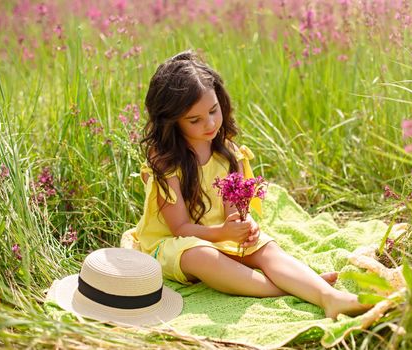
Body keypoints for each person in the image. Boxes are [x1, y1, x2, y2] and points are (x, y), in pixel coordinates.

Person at [132, 50, 372, 319]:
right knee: (200, 255)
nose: (210, 123)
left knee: (266, 247)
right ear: (172, 122)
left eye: (213, 111)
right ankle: (289, 290)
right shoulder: (166, 164)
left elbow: (232, 212)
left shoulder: (229, 154)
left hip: (217, 235)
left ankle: (330, 297)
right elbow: (180, 229)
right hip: (173, 245)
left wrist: (243, 227)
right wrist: (224, 233)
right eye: (194, 120)